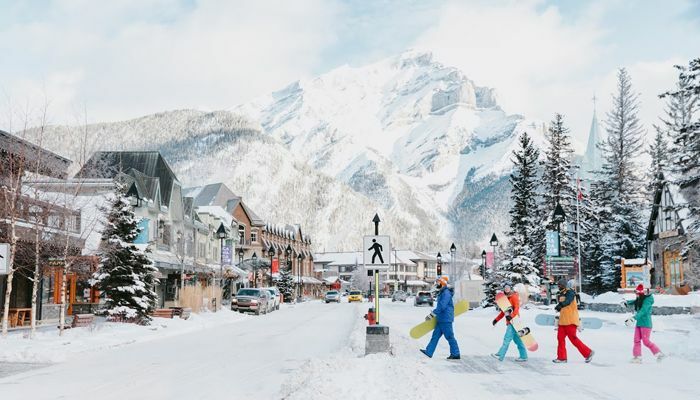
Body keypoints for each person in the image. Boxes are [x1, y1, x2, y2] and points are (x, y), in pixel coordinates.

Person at [553, 278, 594, 363]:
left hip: (570, 320)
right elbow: (564, 304)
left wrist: (560, 305)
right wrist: (559, 307)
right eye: (558, 285)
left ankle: (588, 353)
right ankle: (562, 358)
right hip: (563, 321)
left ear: (564, 285)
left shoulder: (570, 292)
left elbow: (567, 301)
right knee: (560, 339)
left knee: (573, 339)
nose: (558, 287)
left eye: (560, 285)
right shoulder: (562, 293)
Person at [420, 276, 460, 360]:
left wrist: (431, 315)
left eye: (438, 283)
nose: (436, 285)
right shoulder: (442, 292)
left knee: (449, 336)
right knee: (435, 336)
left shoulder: (446, 293)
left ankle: (456, 353)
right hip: (441, 319)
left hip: (446, 319)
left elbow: (442, 306)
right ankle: (429, 352)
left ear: (442, 283)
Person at [626, 284, 665, 363]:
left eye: (637, 293)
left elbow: (643, 311)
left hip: (646, 324)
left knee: (646, 341)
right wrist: (626, 303)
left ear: (641, 293)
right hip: (639, 323)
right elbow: (634, 301)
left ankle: (659, 354)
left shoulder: (647, 301)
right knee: (636, 340)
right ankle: (637, 357)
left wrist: (633, 318)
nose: (636, 295)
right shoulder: (640, 299)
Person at [490, 282, 527, 362]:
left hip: (514, 321)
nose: (506, 289)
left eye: (508, 287)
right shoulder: (505, 298)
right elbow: (504, 312)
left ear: (511, 288)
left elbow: (517, 308)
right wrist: (496, 319)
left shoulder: (514, 296)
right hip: (511, 321)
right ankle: (524, 356)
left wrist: (512, 316)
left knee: (507, 339)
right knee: (518, 340)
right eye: (505, 287)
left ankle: (500, 355)